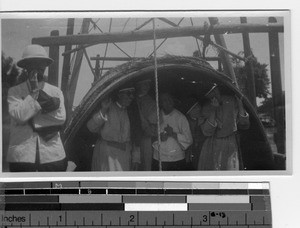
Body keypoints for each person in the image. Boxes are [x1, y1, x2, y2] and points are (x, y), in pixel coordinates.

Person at [7, 44, 69, 172]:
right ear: (25, 67)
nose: (38, 68)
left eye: (41, 64)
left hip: (52, 155)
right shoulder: (15, 92)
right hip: (21, 156)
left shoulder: (56, 92)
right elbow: (20, 117)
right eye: (33, 64)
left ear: (45, 66)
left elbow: (60, 119)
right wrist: (35, 93)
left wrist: (32, 112)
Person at [198, 84, 250, 170]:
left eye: (215, 90)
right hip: (212, 145)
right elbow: (207, 131)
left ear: (218, 89)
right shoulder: (206, 107)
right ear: (207, 96)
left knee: (230, 169)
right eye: (210, 93)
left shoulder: (232, 101)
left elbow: (244, 124)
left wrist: (240, 104)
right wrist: (214, 110)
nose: (214, 94)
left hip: (230, 143)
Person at [86, 86, 135, 171]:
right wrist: (103, 109)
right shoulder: (107, 107)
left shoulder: (132, 111)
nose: (131, 97)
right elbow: (91, 127)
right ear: (119, 94)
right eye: (128, 93)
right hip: (107, 155)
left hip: (124, 156)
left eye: (132, 94)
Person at [152, 92, 193, 171]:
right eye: (165, 100)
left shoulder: (180, 117)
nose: (168, 102)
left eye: (170, 99)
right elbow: (147, 135)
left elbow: (189, 140)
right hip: (159, 158)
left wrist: (173, 134)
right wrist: (159, 137)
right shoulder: (156, 116)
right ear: (160, 103)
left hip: (177, 159)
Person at [133, 79, 157, 171]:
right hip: (130, 137)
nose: (147, 86)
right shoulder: (131, 98)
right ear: (138, 85)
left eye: (148, 84)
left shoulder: (150, 102)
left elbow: (153, 127)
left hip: (145, 138)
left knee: (145, 166)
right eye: (144, 84)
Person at [182, 97, 207, 170]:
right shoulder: (185, 121)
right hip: (190, 153)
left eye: (198, 106)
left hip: (203, 151)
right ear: (189, 111)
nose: (198, 109)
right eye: (194, 108)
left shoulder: (204, 118)